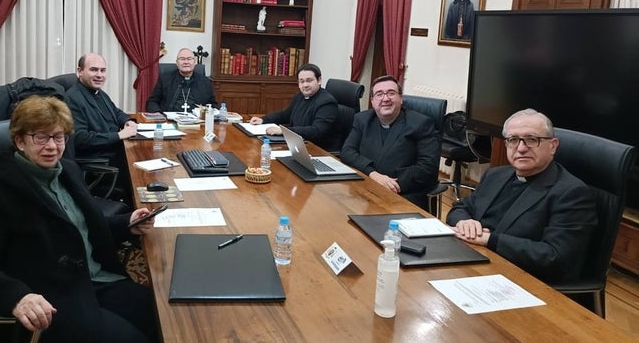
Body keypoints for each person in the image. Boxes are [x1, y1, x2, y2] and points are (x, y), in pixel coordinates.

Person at [0, 96, 157, 343]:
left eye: (58, 137)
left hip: (95, 280)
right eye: (41, 137)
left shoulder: (67, 171)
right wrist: (17, 297)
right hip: (54, 296)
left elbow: (79, 226)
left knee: (161, 318)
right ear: (20, 141)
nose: (52, 146)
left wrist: (126, 223)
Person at [446, 108, 597, 284]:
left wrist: (489, 240)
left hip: (520, 279)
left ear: (553, 146)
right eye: (513, 140)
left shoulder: (571, 193)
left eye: (532, 140)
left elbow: (555, 257)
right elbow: (460, 208)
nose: (521, 148)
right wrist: (465, 222)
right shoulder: (495, 175)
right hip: (472, 262)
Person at [339, 75, 439, 210]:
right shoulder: (362, 119)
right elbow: (347, 151)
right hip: (366, 187)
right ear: (372, 101)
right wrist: (373, 175)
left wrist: (391, 184)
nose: (385, 99)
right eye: (379, 94)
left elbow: (428, 166)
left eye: (391, 93)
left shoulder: (420, 124)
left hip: (403, 195)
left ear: (401, 99)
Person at [65, 53, 138, 201]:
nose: (99, 75)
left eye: (103, 70)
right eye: (93, 70)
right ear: (79, 71)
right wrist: (118, 135)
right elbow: (81, 139)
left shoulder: (99, 93)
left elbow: (116, 112)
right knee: (143, 174)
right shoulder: (73, 98)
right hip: (100, 161)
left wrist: (127, 121)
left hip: (114, 151)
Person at [249, 63, 338, 150]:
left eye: (309, 80)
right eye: (302, 81)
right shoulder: (300, 96)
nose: (305, 85)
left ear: (319, 80)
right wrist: (263, 119)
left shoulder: (327, 102)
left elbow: (316, 130)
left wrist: (283, 131)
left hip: (317, 149)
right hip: (297, 144)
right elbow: (285, 115)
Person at [145, 47, 217, 113]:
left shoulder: (205, 82)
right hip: (169, 121)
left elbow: (213, 105)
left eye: (189, 59)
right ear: (177, 63)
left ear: (194, 62)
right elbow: (152, 102)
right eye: (182, 59)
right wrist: (159, 115)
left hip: (198, 122)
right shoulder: (165, 79)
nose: (186, 62)